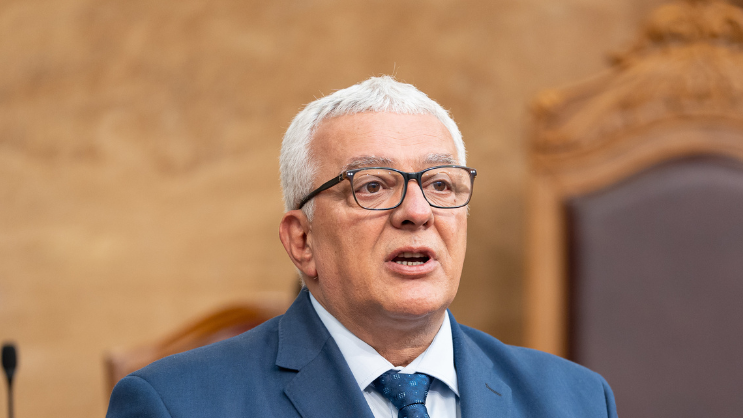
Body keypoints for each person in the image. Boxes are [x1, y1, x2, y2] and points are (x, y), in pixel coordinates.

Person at [106, 76, 617, 418]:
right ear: (302, 240)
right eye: (372, 186)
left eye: (440, 184)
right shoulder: (175, 404)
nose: (417, 212)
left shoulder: (576, 400)